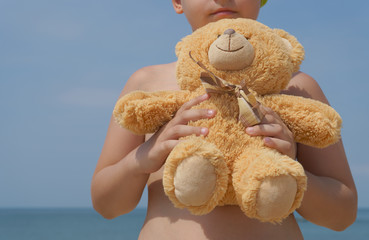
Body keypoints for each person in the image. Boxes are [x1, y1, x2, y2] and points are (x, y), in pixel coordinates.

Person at [91, 0, 358, 239]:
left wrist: (291, 166)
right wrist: (144, 158)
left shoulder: (296, 87)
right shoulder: (147, 84)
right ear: (177, 2)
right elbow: (107, 205)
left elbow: (342, 214)